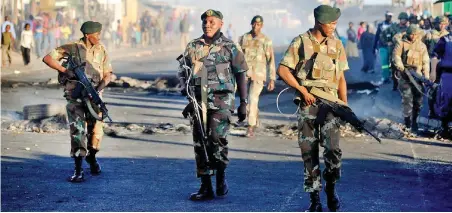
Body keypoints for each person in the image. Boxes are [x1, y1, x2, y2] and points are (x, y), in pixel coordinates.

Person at [277, 5, 348, 212]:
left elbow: (341, 78)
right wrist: (301, 90)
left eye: (336, 23)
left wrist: (345, 106)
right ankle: (314, 199)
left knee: (333, 150)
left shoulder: (337, 44)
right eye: (331, 23)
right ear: (319, 22)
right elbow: (283, 69)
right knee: (309, 153)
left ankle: (331, 188)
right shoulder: (301, 42)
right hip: (308, 105)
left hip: (331, 105)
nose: (334, 27)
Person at [178, 9, 248, 201]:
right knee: (200, 143)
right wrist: (186, 92)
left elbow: (241, 74)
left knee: (217, 139)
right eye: (205, 22)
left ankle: (221, 176)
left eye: (211, 22)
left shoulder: (230, 47)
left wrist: (244, 103)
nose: (207, 25)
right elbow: (183, 72)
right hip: (198, 102)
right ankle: (206, 186)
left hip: (221, 101)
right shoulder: (193, 46)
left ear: (220, 24)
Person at [42, 21, 113, 182]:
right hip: (75, 97)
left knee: (96, 131)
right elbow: (47, 58)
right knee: (78, 131)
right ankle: (78, 169)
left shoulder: (102, 50)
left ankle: (92, 157)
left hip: (94, 97)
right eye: (97, 34)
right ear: (88, 35)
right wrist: (65, 71)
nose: (100, 37)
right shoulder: (71, 48)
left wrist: (99, 88)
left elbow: (108, 74)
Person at [237, 15, 276, 137]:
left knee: (252, 99)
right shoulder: (244, 38)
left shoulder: (266, 40)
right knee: (247, 100)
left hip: (259, 74)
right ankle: (254, 120)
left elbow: (271, 60)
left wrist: (272, 79)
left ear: (262, 26)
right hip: (245, 73)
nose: (255, 26)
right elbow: (237, 56)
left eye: (258, 24)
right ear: (251, 24)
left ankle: (250, 126)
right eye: (254, 24)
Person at [392, 25, 429, 133]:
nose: (413, 36)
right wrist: (401, 67)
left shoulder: (421, 46)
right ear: (408, 34)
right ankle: (407, 121)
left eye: (415, 34)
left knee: (418, 101)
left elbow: (426, 61)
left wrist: (426, 76)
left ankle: (415, 121)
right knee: (407, 99)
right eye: (411, 34)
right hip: (405, 75)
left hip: (417, 76)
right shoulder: (401, 43)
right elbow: (396, 56)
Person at [430, 29, 452, 139]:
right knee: (446, 101)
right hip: (448, 74)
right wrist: (433, 71)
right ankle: (445, 128)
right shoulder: (445, 40)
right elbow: (435, 56)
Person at [381, 12, 409, 90]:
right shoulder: (393, 27)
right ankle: (395, 83)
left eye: (405, 19)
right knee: (394, 68)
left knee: (404, 68)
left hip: (405, 52)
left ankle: (404, 84)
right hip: (394, 51)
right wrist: (387, 42)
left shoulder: (409, 29)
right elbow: (382, 34)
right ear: (400, 19)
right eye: (402, 19)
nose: (404, 21)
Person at [374, 11, 394, 84]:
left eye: (391, 16)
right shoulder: (381, 25)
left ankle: (391, 76)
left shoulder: (394, 25)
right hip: (383, 46)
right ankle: (385, 77)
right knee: (384, 63)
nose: (390, 17)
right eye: (388, 16)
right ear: (385, 16)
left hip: (392, 47)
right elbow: (377, 36)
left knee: (391, 63)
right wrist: (374, 47)